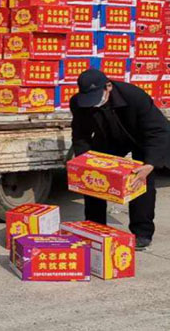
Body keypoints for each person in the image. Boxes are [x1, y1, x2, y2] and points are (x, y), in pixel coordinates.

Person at [70, 69, 170, 250]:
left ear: (108, 87)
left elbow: (159, 131)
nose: (93, 103)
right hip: (108, 138)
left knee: (141, 181)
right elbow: (80, 134)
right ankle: (94, 226)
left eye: (96, 97)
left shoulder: (134, 96)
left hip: (140, 139)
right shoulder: (79, 103)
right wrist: (83, 162)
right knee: (92, 177)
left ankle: (142, 232)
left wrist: (150, 164)